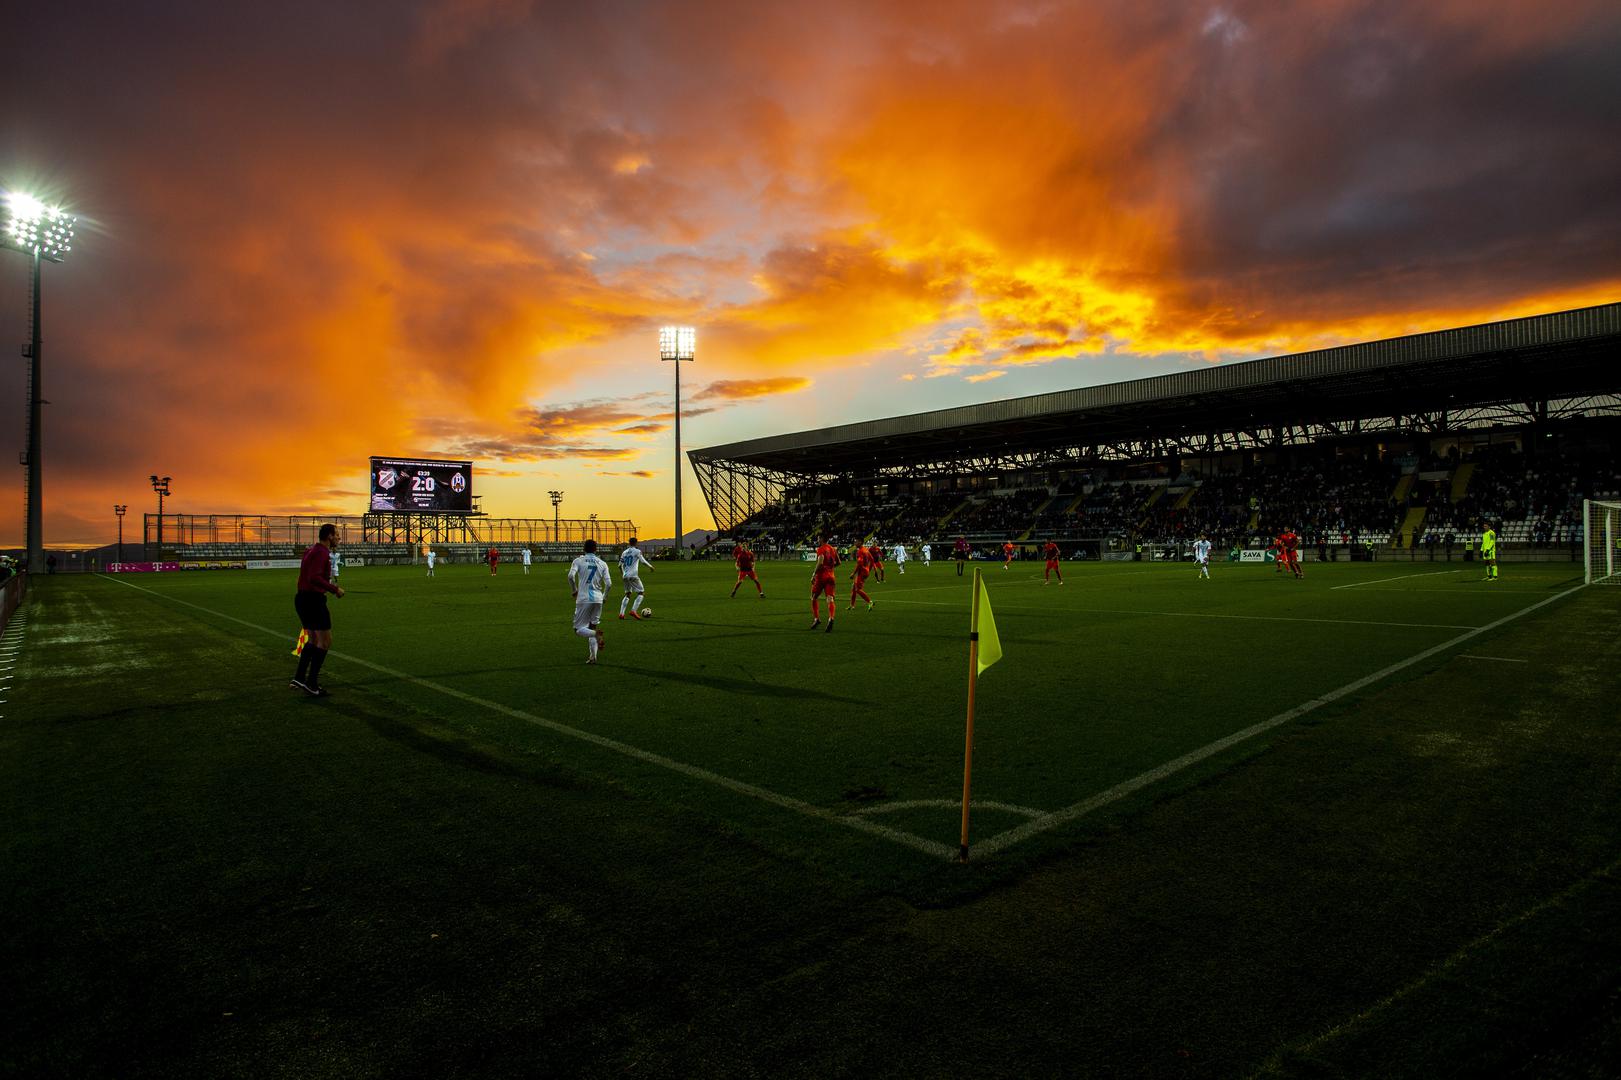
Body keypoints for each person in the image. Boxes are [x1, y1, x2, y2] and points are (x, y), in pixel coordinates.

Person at [291, 522, 345, 696]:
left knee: (313, 640)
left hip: (302, 598)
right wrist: (334, 589)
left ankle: (299, 678)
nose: (339, 537)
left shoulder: (310, 551)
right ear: (329, 536)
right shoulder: (322, 553)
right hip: (313, 600)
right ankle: (311, 683)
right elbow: (314, 577)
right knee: (325, 641)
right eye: (336, 534)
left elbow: (306, 576)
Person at [568, 538, 612, 664]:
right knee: (592, 627)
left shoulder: (578, 561)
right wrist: (605, 597)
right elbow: (609, 584)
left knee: (578, 630)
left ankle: (597, 634)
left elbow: (570, 576)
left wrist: (574, 590)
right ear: (596, 549)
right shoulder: (602, 563)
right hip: (598, 598)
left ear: (583, 549)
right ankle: (593, 657)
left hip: (584, 598)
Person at [618, 537, 654, 618]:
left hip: (625, 576)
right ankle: (633, 611)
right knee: (641, 593)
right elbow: (642, 561)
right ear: (636, 543)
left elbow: (619, 565)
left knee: (627, 594)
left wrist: (623, 574)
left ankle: (621, 613)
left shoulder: (624, 552)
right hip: (633, 575)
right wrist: (650, 567)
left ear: (629, 543)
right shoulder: (637, 551)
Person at [809, 534, 839, 632]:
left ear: (821, 538)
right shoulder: (833, 549)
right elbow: (838, 562)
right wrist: (830, 567)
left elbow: (820, 562)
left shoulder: (821, 549)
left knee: (813, 597)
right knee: (830, 598)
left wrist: (814, 574)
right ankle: (831, 618)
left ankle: (816, 619)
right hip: (831, 576)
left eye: (818, 538)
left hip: (821, 577)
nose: (817, 540)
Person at [850, 544, 875, 610]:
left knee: (857, 589)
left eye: (856, 541)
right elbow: (872, 560)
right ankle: (852, 605)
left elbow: (859, 563)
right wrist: (868, 569)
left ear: (860, 542)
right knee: (853, 587)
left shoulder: (860, 551)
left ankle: (870, 602)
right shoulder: (866, 550)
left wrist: (853, 573)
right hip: (865, 571)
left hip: (861, 572)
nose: (855, 542)